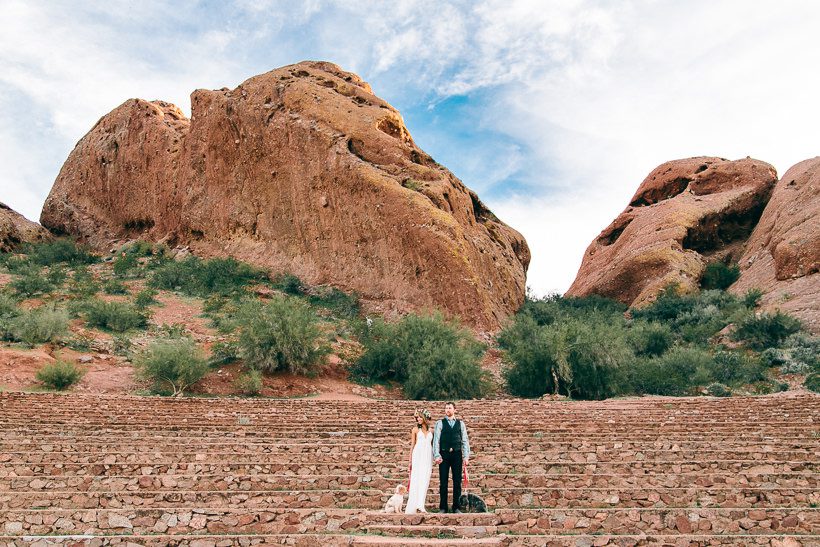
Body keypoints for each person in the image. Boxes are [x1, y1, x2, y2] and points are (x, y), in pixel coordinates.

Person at [432, 401, 471, 513]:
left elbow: (465, 440)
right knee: (443, 481)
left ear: (454, 410)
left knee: (457, 481)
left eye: (449, 408)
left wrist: (466, 456)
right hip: (444, 454)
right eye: (446, 408)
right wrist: (436, 455)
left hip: (457, 454)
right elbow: (436, 440)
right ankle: (443, 507)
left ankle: (456, 507)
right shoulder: (440, 423)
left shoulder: (461, 424)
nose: (447, 410)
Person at [404, 409, 433, 514]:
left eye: (421, 417)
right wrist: (410, 461)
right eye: (418, 417)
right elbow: (412, 445)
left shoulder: (431, 431)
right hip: (418, 456)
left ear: (425, 418)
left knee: (425, 480)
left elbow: (433, 445)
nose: (419, 419)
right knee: (417, 479)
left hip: (427, 457)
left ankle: (421, 505)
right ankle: (415, 505)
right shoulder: (415, 430)